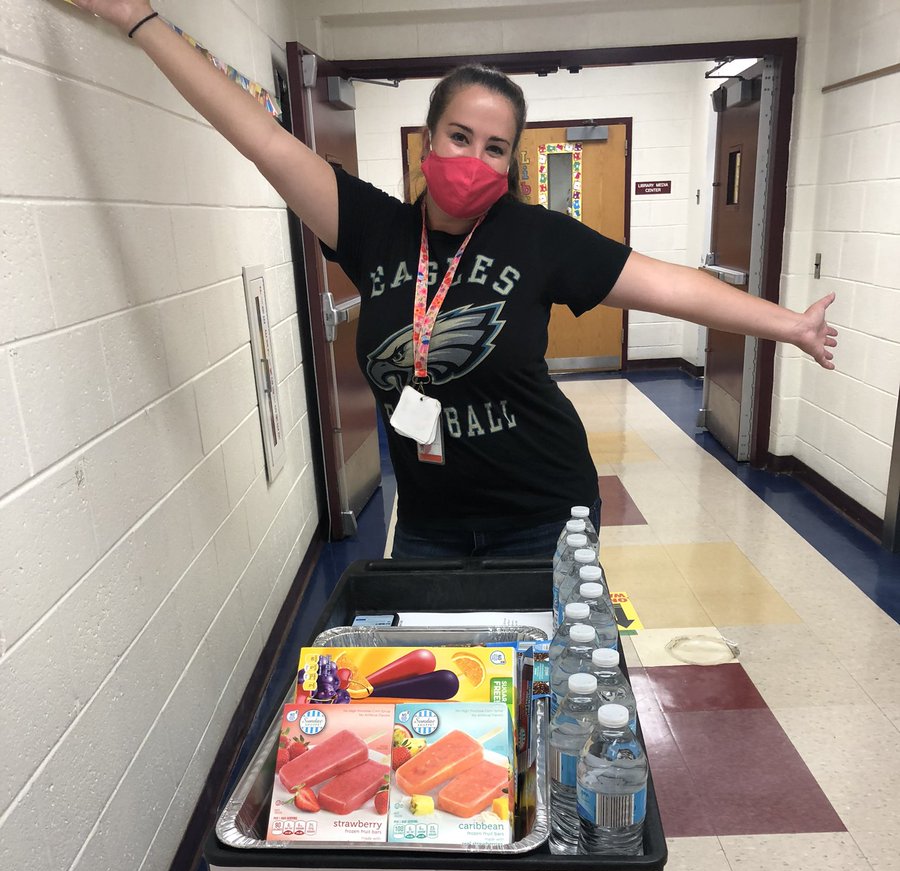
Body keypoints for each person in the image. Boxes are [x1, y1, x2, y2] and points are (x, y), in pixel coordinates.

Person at [70, 4, 839, 559]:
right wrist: (141, 20)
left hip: (543, 516)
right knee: (440, 711)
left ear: (511, 163)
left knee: (538, 708)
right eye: (460, 137)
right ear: (428, 142)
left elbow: (673, 287)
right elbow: (262, 140)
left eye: (495, 147)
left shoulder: (538, 239)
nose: (474, 159)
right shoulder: (371, 229)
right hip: (429, 524)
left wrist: (789, 325)